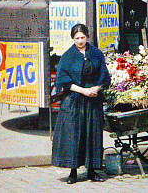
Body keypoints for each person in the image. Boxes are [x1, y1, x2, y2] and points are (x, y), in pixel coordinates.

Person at [52, 23, 111, 184]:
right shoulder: (68, 56)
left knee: (92, 134)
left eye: (82, 37)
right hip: (75, 100)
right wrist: (83, 91)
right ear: (73, 39)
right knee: (74, 135)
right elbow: (62, 80)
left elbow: (104, 75)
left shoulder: (96, 54)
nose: (80, 41)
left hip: (93, 100)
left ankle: (92, 171)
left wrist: (96, 88)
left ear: (87, 37)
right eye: (77, 38)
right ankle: (73, 172)